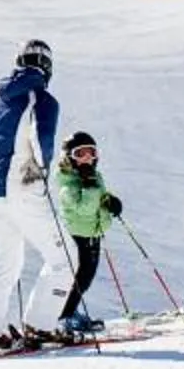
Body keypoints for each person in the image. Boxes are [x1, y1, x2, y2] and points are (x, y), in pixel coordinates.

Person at [0, 41, 67, 356]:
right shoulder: (42, 99)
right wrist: (41, 172)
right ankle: (40, 325)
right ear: (47, 68)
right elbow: (40, 137)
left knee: (7, 261)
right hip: (22, 188)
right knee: (66, 259)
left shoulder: (0, 97)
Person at [52, 132, 123, 334]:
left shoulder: (92, 176)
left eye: (91, 153)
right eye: (80, 153)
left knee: (87, 277)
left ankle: (70, 312)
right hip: (78, 237)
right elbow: (84, 208)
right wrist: (91, 186)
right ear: (69, 157)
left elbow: (98, 197)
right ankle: (64, 316)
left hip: (92, 233)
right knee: (78, 278)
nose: (87, 158)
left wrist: (109, 201)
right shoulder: (67, 184)